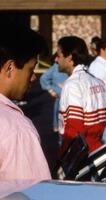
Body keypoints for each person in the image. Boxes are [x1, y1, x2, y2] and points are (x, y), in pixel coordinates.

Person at [0, 24, 51, 179]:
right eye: (31, 69)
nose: (34, 77)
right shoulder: (16, 130)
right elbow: (35, 192)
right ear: (10, 67)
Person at [55, 36, 106, 154]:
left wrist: (63, 158)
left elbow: (74, 131)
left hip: (80, 158)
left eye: (58, 55)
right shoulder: (98, 82)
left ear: (69, 57)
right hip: (97, 151)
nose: (56, 60)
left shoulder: (72, 85)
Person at [40, 54, 68, 137]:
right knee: (60, 120)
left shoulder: (66, 68)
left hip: (69, 98)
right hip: (60, 98)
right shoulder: (54, 68)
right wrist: (50, 89)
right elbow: (43, 78)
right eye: (58, 57)